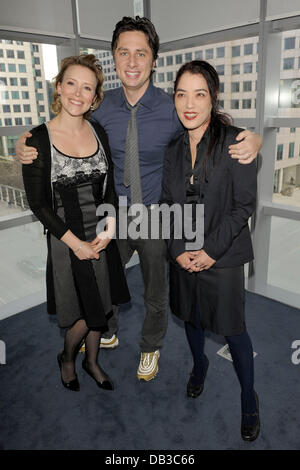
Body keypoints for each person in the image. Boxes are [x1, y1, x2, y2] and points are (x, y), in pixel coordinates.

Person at [16, 16, 261, 383]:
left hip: (158, 216)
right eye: (124, 52)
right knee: (105, 283)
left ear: (154, 59)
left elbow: (210, 125)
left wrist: (253, 138)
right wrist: (25, 141)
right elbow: (67, 125)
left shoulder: (172, 105)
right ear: (114, 57)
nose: (132, 62)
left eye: (141, 53)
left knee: (156, 291)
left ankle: (150, 347)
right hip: (109, 214)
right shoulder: (100, 107)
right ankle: (108, 330)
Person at [160, 60, 260, 441]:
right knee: (191, 318)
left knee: (234, 331)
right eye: (181, 94)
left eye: (199, 94)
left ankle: (249, 400)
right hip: (184, 254)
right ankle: (199, 365)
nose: (189, 103)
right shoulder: (172, 149)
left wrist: (210, 252)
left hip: (224, 256)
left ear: (212, 98)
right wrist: (178, 249)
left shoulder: (236, 142)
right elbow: (167, 205)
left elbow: (243, 207)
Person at [22, 54, 130, 392]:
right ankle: (68, 357)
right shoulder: (37, 140)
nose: (78, 93)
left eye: (88, 88)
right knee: (84, 311)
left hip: (100, 233)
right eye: (71, 83)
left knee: (103, 305)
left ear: (95, 95)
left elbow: (110, 188)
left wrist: (110, 228)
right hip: (65, 237)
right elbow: (38, 204)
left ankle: (92, 361)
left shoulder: (98, 131)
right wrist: (76, 244)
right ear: (58, 86)